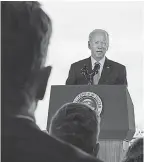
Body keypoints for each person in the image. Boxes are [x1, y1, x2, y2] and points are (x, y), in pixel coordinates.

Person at [1, 2, 104, 162]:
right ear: (43, 82)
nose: (100, 46)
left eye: (103, 42)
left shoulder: (119, 69)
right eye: (97, 42)